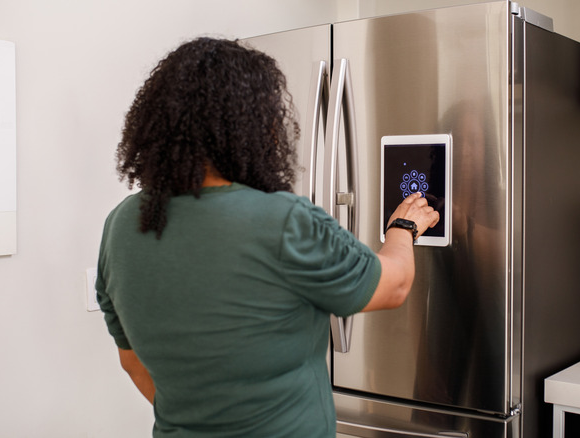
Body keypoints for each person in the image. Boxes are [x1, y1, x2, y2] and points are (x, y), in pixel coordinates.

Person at [96, 37, 438, 438]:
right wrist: (404, 227)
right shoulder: (281, 220)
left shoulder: (121, 226)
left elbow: (132, 362)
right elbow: (394, 285)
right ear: (253, 126)